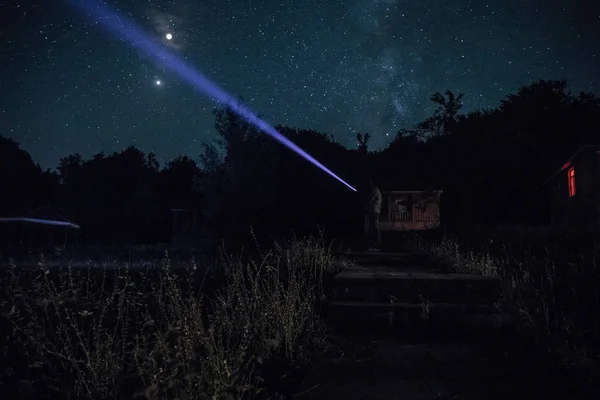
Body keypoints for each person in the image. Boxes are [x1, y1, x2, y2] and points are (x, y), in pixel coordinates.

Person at [364, 179, 382, 251]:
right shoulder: (376, 190)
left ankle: (376, 246)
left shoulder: (375, 190)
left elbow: (371, 200)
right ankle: (375, 245)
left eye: (370, 183)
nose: (369, 185)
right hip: (375, 211)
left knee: (375, 228)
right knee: (374, 228)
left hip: (374, 212)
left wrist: (367, 207)